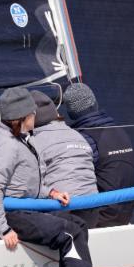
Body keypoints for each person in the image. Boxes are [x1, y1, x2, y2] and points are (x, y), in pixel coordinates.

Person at [0, 87, 119, 267]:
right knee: (67, 233)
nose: (36, 117)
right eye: (32, 114)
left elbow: (25, 183)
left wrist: (51, 192)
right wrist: (3, 228)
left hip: (28, 206)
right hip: (16, 214)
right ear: (22, 117)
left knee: (78, 225)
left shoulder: (18, 139)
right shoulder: (7, 146)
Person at [65, 83, 134, 227]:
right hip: (127, 212)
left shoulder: (83, 139)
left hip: (102, 217)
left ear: (71, 112)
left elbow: (73, 181)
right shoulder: (119, 130)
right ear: (94, 103)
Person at [30, 90, 100, 228]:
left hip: (62, 212)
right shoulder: (77, 135)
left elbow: (29, 183)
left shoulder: (33, 142)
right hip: (93, 211)